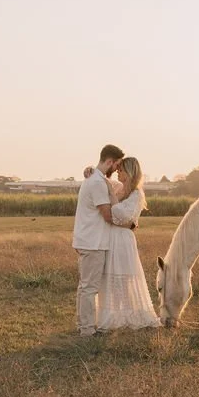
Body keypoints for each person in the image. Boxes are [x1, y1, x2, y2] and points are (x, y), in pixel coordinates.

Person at [94, 157, 161, 332]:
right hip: (111, 237)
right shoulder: (120, 189)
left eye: (121, 170)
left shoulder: (136, 194)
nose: (118, 172)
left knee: (123, 278)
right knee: (110, 277)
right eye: (118, 169)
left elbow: (122, 215)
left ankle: (129, 315)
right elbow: (102, 183)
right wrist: (91, 171)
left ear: (130, 172)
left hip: (123, 240)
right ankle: (113, 317)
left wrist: (113, 202)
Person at [72, 144, 126, 337]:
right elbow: (107, 215)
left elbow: (120, 188)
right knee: (89, 287)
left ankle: (83, 324)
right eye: (117, 165)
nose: (117, 169)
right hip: (92, 242)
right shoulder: (96, 183)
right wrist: (128, 224)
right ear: (110, 161)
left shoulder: (96, 179)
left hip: (89, 240)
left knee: (85, 286)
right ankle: (87, 329)